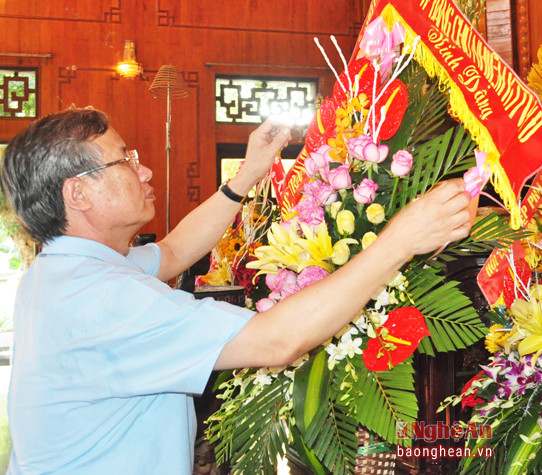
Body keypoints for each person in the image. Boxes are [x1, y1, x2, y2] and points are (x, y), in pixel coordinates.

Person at [0, 108, 472, 474]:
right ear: (77, 194)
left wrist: (248, 173)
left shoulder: (65, 270)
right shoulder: (102, 299)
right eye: (125, 159)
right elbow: (275, 341)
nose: (142, 171)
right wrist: (400, 241)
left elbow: (176, 250)